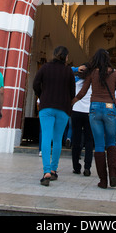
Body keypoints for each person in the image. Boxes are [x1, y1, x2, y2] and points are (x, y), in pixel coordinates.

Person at [72, 49, 116, 189]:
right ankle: (113, 175)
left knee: (98, 144)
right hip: (110, 108)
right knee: (111, 142)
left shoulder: (92, 73)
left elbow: (83, 92)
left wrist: (71, 102)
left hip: (94, 109)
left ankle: (103, 181)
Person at [33, 46, 75, 186]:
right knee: (57, 140)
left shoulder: (45, 67)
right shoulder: (68, 71)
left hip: (47, 107)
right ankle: (53, 170)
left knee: (46, 137)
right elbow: (72, 92)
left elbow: (35, 84)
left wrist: (43, 95)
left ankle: (46, 172)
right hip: (62, 109)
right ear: (65, 57)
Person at [71, 64, 94, 176]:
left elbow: (66, 70)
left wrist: (76, 69)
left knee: (76, 140)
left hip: (76, 111)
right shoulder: (94, 83)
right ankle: (87, 167)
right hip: (89, 113)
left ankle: (76, 167)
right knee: (89, 141)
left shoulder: (75, 81)